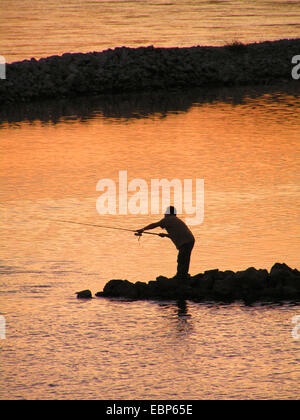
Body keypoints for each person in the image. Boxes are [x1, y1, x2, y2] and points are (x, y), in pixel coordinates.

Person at [136, 206, 195, 279]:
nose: (164, 213)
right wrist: (165, 235)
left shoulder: (168, 219)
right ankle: (183, 275)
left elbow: (154, 225)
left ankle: (181, 276)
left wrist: (143, 229)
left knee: (182, 259)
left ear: (168, 213)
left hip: (186, 241)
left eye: (166, 212)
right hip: (189, 240)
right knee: (184, 259)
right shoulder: (175, 220)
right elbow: (176, 234)